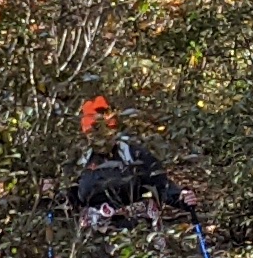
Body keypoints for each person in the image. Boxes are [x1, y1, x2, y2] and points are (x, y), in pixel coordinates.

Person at [63, 97, 197, 238]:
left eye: (106, 134)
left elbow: (160, 183)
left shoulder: (134, 154)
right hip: (93, 234)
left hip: (135, 228)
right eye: (94, 135)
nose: (101, 140)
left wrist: (180, 197)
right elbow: (69, 196)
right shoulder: (80, 161)